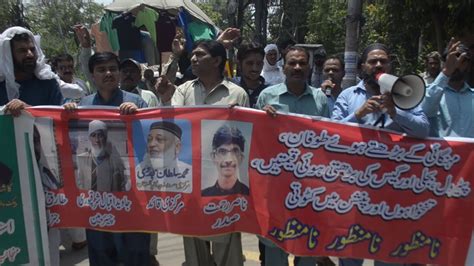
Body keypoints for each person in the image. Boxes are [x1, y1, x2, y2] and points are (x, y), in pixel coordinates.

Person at [332, 43, 429, 266]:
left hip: (392, 190)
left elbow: (423, 130)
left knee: (388, 254)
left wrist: (396, 113)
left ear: (389, 65)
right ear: (362, 66)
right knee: (350, 253)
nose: (378, 65)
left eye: (383, 61)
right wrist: (358, 114)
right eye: (373, 61)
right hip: (353, 189)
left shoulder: (405, 94)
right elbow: (332, 133)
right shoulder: (348, 96)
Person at [64, 52, 150, 266]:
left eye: (113, 68)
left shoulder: (136, 102)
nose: (108, 73)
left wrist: (139, 117)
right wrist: (67, 114)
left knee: (135, 247)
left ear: (119, 72)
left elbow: (150, 142)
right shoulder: (81, 105)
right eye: (102, 70)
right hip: (96, 195)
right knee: (101, 247)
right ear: (92, 75)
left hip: (131, 193)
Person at [171, 40, 249, 266]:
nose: (193, 59)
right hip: (190, 179)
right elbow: (175, 123)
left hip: (225, 179)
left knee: (228, 241)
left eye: (199, 55)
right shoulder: (183, 90)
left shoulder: (237, 94)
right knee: (194, 244)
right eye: (193, 55)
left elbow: (245, 135)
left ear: (216, 61)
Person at [256, 46, 329, 266]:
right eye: (292, 63)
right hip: (276, 186)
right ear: (283, 67)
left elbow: (327, 141)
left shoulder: (320, 100)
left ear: (308, 67)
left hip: (309, 187)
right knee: (274, 249)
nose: (297, 67)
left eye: (302, 63)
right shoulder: (267, 96)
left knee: (306, 248)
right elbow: (257, 139)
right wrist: (263, 120)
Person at [0, 26, 64, 266]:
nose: (29, 54)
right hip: (8, 173)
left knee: (49, 226)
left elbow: (57, 119)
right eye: (21, 51)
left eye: (31, 49)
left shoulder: (48, 84)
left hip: (44, 169)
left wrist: (28, 112)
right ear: (8, 54)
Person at [136, 121, 192, 193]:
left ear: (177, 146)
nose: (151, 144)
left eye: (160, 139)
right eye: (149, 140)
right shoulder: (138, 170)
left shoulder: (190, 174)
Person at [202, 125, 249, 196]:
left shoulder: (250, 195)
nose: (228, 160)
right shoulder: (204, 194)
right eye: (222, 151)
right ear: (213, 157)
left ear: (241, 158)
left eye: (235, 151)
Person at [233, 41, 268, 107]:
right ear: (239, 64)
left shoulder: (270, 92)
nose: (255, 68)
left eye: (258, 63)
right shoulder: (229, 88)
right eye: (250, 63)